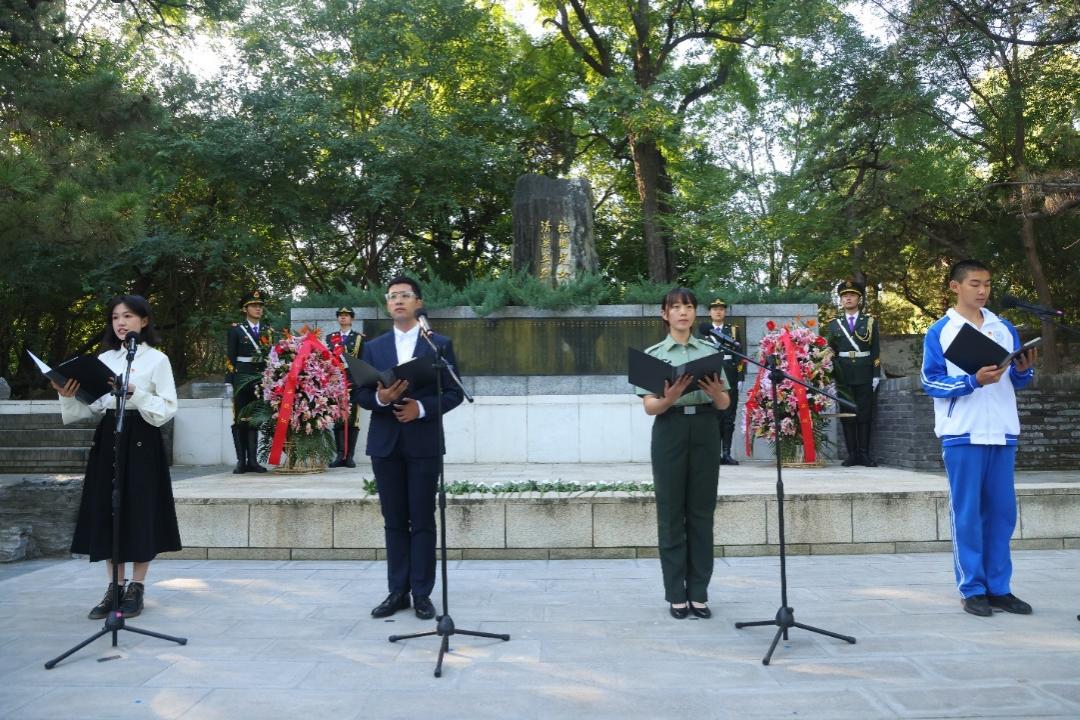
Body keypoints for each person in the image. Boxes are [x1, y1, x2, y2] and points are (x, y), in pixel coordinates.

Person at [52, 295, 182, 619]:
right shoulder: (105, 358)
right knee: (109, 509)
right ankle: (114, 586)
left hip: (142, 438)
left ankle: (136, 587)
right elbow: (94, 405)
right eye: (115, 317)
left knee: (139, 509)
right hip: (110, 434)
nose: (120, 323)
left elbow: (167, 408)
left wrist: (135, 392)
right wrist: (68, 394)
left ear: (144, 320)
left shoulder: (157, 359)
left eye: (127, 316)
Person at [921, 259, 1037, 617]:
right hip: (962, 432)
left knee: (1002, 514)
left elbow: (1017, 380)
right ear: (955, 287)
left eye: (987, 284)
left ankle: (999, 588)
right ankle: (972, 589)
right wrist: (972, 381)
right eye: (975, 284)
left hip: (1002, 431)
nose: (983, 290)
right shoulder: (941, 330)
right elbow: (930, 381)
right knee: (968, 514)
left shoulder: (1004, 328)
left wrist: (1023, 370)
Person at [356, 277, 463, 621]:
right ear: (387, 305)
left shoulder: (438, 344)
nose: (398, 300)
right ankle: (397, 591)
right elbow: (360, 394)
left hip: (423, 442)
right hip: (385, 444)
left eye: (405, 295)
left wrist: (422, 408)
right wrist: (380, 398)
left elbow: (455, 392)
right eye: (392, 296)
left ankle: (422, 592)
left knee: (423, 519)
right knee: (394, 520)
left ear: (418, 303)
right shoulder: (374, 347)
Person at [637, 288, 731, 620]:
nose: (682, 312)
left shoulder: (710, 351)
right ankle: (676, 594)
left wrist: (717, 393)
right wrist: (669, 398)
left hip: (705, 429)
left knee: (702, 513)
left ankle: (699, 593)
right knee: (671, 512)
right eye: (675, 307)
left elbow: (724, 403)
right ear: (664, 314)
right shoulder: (652, 355)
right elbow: (650, 407)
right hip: (670, 429)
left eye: (688, 306)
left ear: (695, 313)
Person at [825, 279, 882, 466]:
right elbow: (830, 351)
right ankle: (851, 454)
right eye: (844, 296)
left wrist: (875, 374)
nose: (848, 298)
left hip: (865, 372)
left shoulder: (870, 322)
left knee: (865, 414)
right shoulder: (834, 324)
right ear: (841, 300)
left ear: (859, 299)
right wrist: (830, 375)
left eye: (852, 295)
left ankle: (864, 454)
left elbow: (875, 350)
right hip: (844, 375)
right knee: (847, 414)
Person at [226, 291, 271, 474]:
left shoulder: (267, 330)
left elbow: (270, 357)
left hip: (260, 379)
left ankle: (253, 461)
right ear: (245, 309)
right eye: (254, 306)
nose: (258, 308)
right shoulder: (236, 329)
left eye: (260, 306)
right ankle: (241, 461)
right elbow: (230, 357)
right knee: (239, 419)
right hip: (241, 379)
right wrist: (230, 381)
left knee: (254, 419)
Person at [699, 298, 745, 465]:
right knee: (713, 416)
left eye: (721, 309)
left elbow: (740, 355)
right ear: (710, 312)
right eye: (715, 309)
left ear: (725, 312)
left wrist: (740, 377)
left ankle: (726, 453)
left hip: (730, 374)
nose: (718, 311)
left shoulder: (733, 330)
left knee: (728, 416)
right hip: (711, 376)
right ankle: (714, 453)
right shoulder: (704, 331)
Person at [326, 306, 364, 468]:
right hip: (336, 382)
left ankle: (349, 456)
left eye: (346, 315)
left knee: (352, 419)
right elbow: (326, 360)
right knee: (338, 418)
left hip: (352, 381)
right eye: (340, 315)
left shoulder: (359, 338)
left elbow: (362, 361)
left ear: (352, 319)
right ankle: (340, 455)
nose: (343, 317)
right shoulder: (330, 338)